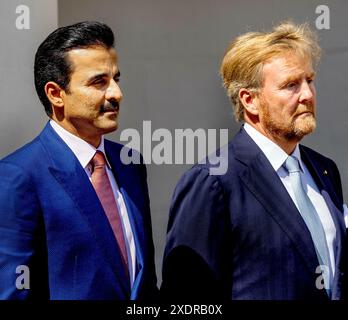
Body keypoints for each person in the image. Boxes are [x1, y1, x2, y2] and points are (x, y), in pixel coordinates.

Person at [161, 22, 347, 300]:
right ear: (250, 101)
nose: (307, 94)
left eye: (309, 80)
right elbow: (186, 298)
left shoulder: (325, 169)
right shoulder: (214, 181)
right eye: (291, 85)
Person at [0, 21, 158, 300]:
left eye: (116, 79)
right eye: (99, 82)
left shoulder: (130, 164)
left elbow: (141, 281)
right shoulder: (18, 177)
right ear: (55, 94)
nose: (116, 94)